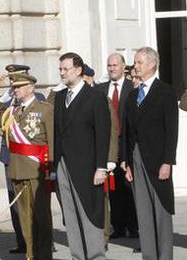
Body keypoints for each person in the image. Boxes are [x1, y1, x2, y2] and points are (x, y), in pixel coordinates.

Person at [0, 64, 47, 255]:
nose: (13, 84)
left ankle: (41, 241)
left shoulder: (38, 99)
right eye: (11, 81)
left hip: (30, 159)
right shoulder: (8, 102)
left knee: (35, 203)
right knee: (16, 203)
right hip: (10, 158)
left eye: (16, 80)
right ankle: (23, 241)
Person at [121, 47, 178, 260]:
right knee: (143, 212)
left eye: (139, 62)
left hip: (158, 159)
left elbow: (172, 130)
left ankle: (164, 256)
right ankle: (150, 255)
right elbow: (126, 130)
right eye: (135, 62)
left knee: (161, 210)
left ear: (152, 64)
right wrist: (125, 160)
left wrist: (168, 161)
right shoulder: (133, 94)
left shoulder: (165, 91)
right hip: (136, 158)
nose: (135, 66)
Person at [53, 52, 111, 260]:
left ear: (78, 70)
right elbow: (57, 133)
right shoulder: (60, 97)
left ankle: (96, 255)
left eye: (65, 69)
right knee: (70, 214)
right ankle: (77, 255)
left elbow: (103, 134)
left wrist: (101, 167)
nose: (62, 73)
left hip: (88, 166)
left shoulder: (94, 97)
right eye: (60, 69)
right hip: (64, 164)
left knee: (89, 212)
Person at [95, 52, 138, 239]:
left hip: (127, 144)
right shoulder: (100, 89)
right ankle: (118, 226)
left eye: (115, 65)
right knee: (113, 188)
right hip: (109, 146)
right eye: (109, 66)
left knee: (129, 187)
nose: (112, 69)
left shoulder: (132, 87)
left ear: (123, 67)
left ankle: (134, 226)